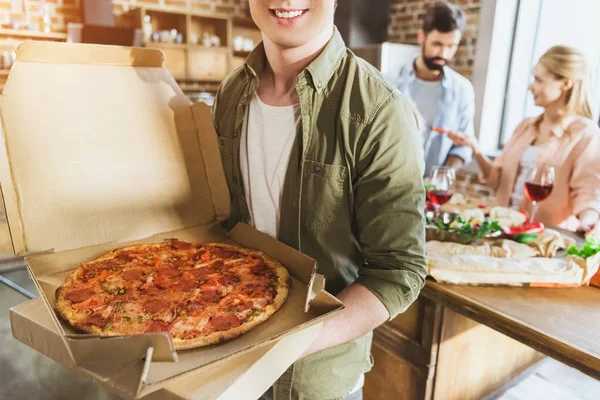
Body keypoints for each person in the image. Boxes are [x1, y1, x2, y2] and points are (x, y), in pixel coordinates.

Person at [211, 1, 428, 399]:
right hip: (222, 371)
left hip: (317, 382)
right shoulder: (229, 94)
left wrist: (283, 347)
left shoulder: (380, 110)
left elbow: (398, 271)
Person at [446, 45, 600, 236]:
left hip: (545, 240)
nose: (531, 87)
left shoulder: (585, 134)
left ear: (565, 84)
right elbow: (496, 180)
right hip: (505, 231)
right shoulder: (525, 127)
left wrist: (589, 221)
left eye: (539, 80)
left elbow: (588, 193)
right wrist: (475, 148)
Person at [390, 1, 476, 176]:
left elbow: (461, 149)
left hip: (432, 195)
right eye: (437, 44)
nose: (444, 54)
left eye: (451, 46)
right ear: (422, 37)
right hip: (388, 190)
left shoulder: (462, 90)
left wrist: (439, 179)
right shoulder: (389, 81)